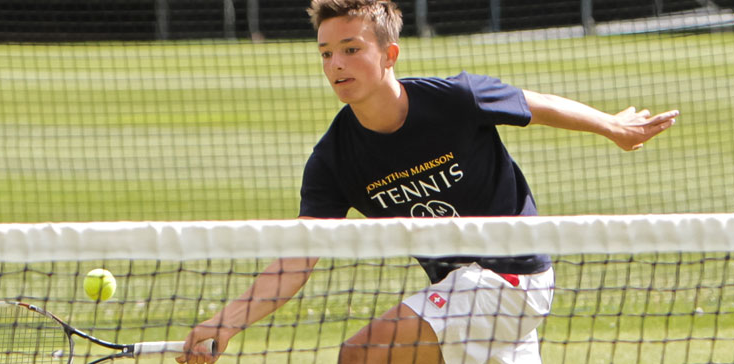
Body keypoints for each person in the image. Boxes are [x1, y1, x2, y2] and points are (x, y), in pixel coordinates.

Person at [178, 0, 678, 363]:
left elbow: (534, 104)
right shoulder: (333, 160)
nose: (335, 64)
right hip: (458, 292)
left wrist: (613, 128)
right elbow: (298, 257)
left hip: (512, 279)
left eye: (351, 49)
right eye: (326, 53)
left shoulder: (454, 99)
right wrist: (225, 323)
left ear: (389, 54)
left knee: (360, 356)